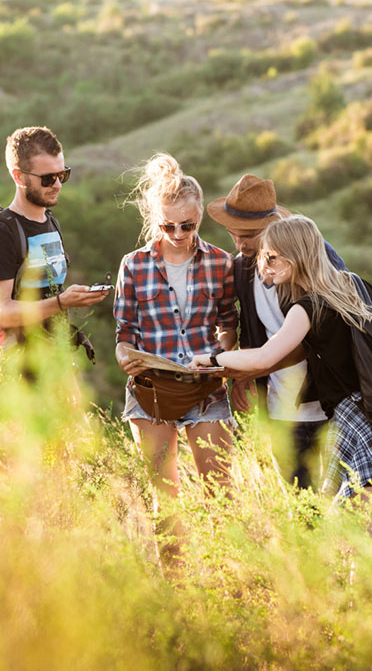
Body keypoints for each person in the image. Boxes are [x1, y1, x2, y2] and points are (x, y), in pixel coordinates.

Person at [189, 215, 372, 513]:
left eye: (270, 257)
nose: (263, 265)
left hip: (360, 419)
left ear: (293, 256)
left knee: (365, 524)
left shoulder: (307, 307)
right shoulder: (349, 285)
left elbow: (264, 356)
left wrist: (210, 358)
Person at [207, 173, 346, 489]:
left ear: (272, 226)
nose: (240, 244)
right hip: (280, 408)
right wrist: (245, 377)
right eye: (233, 234)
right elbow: (249, 326)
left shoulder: (314, 256)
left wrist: (251, 367)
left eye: (249, 235)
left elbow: (325, 332)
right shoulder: (241, 267)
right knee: (298, 503)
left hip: (330, 404)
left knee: (341, 503)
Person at [113, 154, 238, 503]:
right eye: (168, 226)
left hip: (206, 389)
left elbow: (228, 323)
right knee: (164, 500)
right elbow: (125, 331)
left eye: (187, 225)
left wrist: (219, 356)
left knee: (221, 496)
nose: (179, 234)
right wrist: (124, 356)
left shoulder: (221, 262)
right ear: (156, 220)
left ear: (199, 218)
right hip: (151, 390)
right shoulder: (133, 265)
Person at [0, 126, 109, 348]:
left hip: (55, 357)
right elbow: (1, 312)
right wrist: (61, 302)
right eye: (47, 178)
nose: (57, 185)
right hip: (18, 363)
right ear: (18, 176)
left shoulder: (50, 221)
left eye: (62, 175)